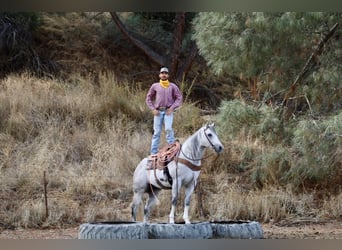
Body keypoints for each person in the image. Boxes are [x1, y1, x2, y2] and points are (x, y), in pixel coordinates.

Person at [146, 66, 183, 155]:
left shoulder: (172, 86)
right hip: (158, 112)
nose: (164, 75)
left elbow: (179, 97)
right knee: (157, 132)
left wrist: (172, 108)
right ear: (159, 75)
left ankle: (172, 150)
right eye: (162, 73)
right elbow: (148, 98)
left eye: (166, 73)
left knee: (168, 129)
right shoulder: (155, 86)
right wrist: (153, 109)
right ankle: (153, 153)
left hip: (168, 112)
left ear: (168, 75)